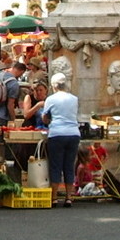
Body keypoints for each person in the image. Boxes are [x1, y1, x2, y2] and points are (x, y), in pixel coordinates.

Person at [41, 73, 81, 207]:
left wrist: (48, 121)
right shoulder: (74, 99)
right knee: (69, 165)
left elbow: (45, 118)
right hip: (73, 133)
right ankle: (69, 197)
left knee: (55, 165)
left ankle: (54, 197)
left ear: (53, 86)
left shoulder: (50, 99)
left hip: (57, 133)